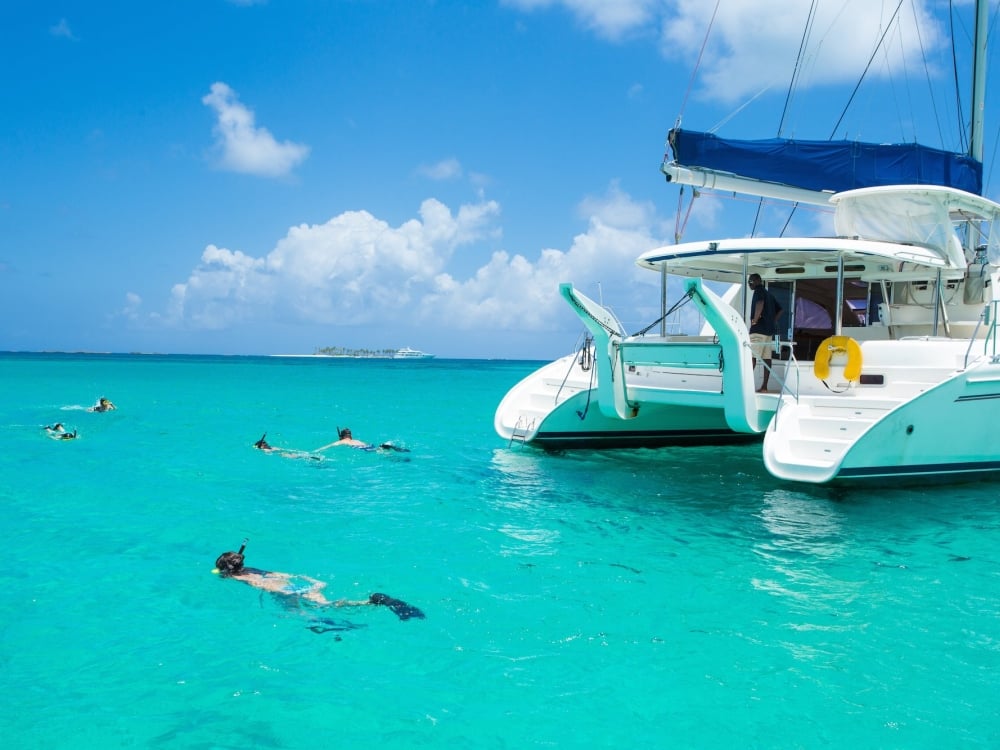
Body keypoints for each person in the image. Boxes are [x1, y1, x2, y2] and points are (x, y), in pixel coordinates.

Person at [213, 541, 424, 619]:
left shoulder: (236, 576)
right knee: (325, 604)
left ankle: (330, 624)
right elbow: (281, 575)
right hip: (294, 584)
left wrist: (224, 574)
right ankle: (373, 601)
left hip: (283, 592)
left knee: (300, 614)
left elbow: (232, 578)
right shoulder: (253, 568)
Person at [747, 273, 783, 392]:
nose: (749, 284)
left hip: (758, 330)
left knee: (751, 357)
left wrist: (755, 320)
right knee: (767, 359)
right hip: (768, 332)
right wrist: (772, 321)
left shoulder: (759, 291)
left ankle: (744, 386)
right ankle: (764, 387)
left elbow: (760, 303)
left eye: (751, 282)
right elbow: (781, 310)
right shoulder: (770, 295)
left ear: (757, 281)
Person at [314, 427, 410, 453]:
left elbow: (328, 447)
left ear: (342, 436)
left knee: (375, 451)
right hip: (368, 446)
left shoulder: (342, 441)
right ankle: (386, 446)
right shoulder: (357, 440)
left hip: (360, 449)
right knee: (377, 449)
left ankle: (385, 447)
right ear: (350, 435)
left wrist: (314, 452)